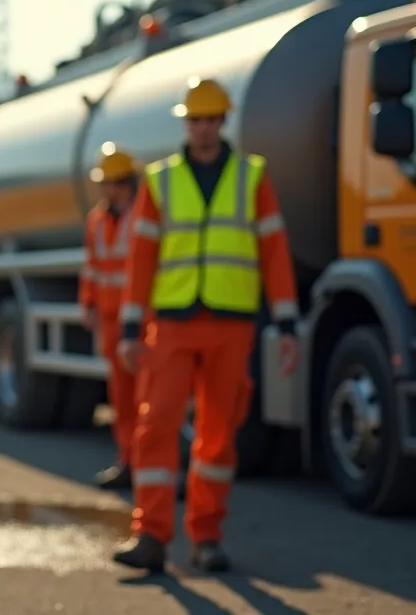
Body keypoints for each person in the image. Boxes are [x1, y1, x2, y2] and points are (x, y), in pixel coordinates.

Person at [113, 78, 299, 573]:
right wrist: (130, 330)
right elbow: (141, 259)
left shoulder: (251, 178)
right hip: (172, 324)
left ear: (223, 121)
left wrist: (286, 323)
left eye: (210, 119)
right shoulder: (161, 180)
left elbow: (275, 253)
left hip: (231, 324)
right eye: (195, 120)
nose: (202, 128)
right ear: (186, 123)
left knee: (218, 437)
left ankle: (207, 536)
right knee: (156, 428)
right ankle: (151, 535)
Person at [77, 142, 141, 490]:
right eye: (106, 183)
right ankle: (127, 461)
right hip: (110, 320)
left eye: (116, 183)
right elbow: (92, 267)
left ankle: (150, 465)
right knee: (121, 397)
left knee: (147, 397)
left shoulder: (143, 218)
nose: (110, 190)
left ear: (129, 183)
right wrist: (87, 303)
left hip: (140, 323)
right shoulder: (97, 221)